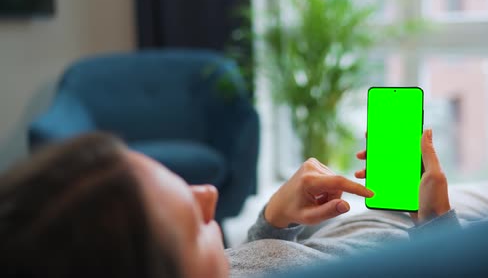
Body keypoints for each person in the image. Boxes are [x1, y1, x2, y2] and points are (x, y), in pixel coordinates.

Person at [0, 129, 456, 277]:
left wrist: (274, 221)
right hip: (421, 244)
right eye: (195, 224)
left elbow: (238, 265)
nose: (210, 194)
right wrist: (438, 227)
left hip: (342, 230)